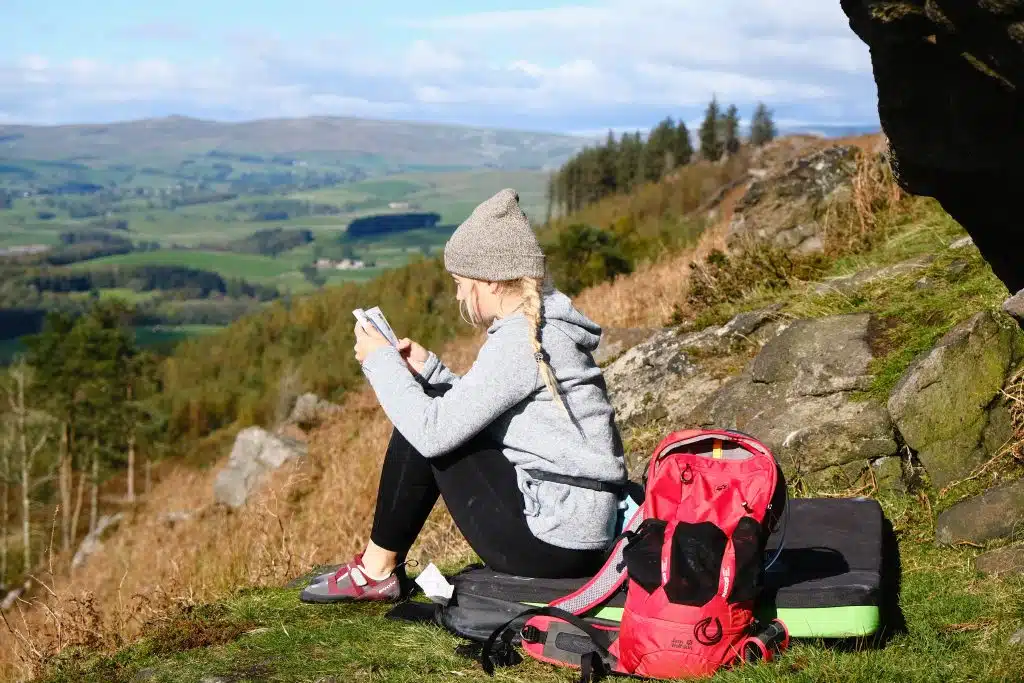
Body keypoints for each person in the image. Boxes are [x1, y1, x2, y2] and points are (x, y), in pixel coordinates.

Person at [300, 188, 627, 603]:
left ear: (490, 278)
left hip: (554, 543)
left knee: (426, 425)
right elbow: (490, 412)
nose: (457, 295)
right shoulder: (540, 326)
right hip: (575, 530)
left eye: (460, 282)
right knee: (432, 404)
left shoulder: (521, 341)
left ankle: (376, 570)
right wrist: (431, 371)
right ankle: (376, 568)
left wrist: (379, 361)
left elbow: (434, 432)